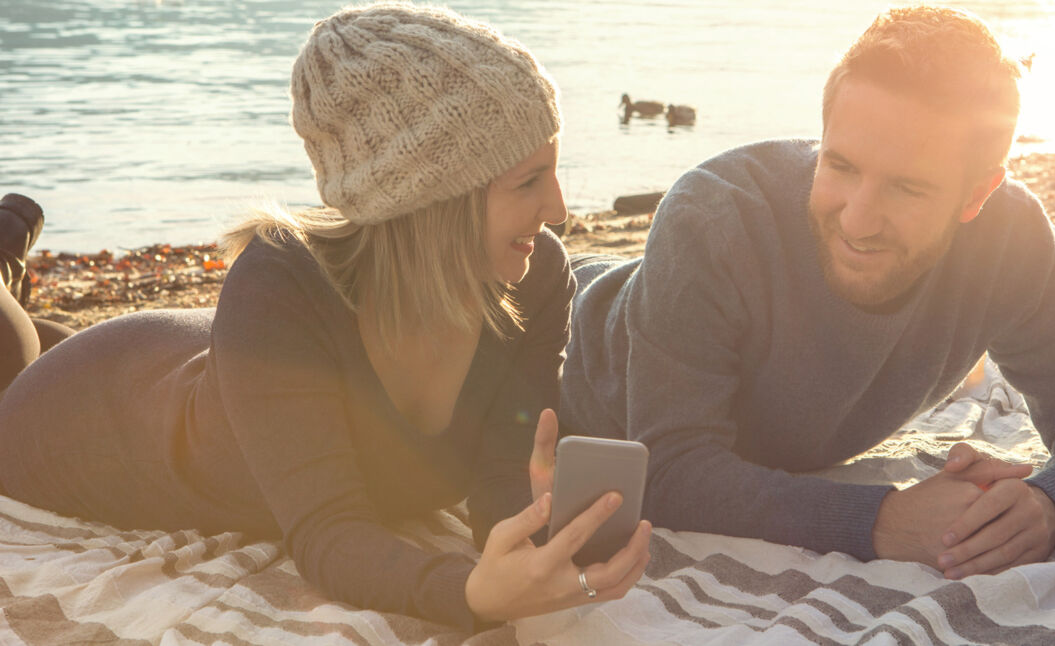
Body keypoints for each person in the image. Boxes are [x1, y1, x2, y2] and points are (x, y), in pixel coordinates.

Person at [0, 3, 651, 632]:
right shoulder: (278, 282)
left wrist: (541, 549)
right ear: (433, 198)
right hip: (71, 413)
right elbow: (329, 535)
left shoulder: (534, 278)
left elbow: (502, 475)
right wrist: (469, 593)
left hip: (204, 362)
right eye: (528, 182)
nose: (559, 210)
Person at [560, 5, 1055, 580]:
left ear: (977, 194)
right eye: (841, 165)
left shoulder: (1011, 238)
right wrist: (884, 520)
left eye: (907, 188)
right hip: (548, 344)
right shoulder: (713, 219)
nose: (857, 220)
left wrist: (1048, 502)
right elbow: (668, 471)